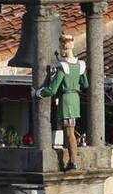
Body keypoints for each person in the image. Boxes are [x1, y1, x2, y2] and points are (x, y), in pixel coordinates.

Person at [37, 33, 87, 170]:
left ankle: (73, 161)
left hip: (66, 100)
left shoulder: (62, 66)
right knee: (69, 130)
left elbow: (52, 89)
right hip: (75, 98)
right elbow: (85, 84)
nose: (60, 50)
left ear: (63, 47)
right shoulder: (80, 65)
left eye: (61, 47)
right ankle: (71, 159)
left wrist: (38, 92)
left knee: (69, 132)